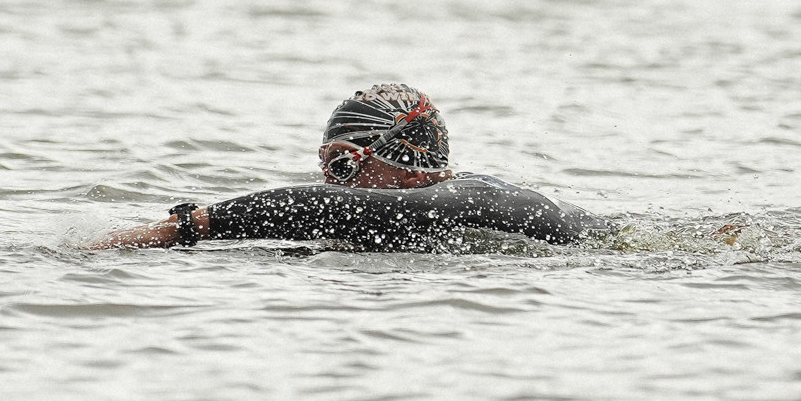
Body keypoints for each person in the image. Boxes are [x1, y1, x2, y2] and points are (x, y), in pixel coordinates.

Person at [95, 84, 611, 251]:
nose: (332, 183)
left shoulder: (475, 200)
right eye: (327, 166)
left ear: (409, 170)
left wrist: (183, 227)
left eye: (343, 166)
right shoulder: (433, 208)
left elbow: (323, 206)